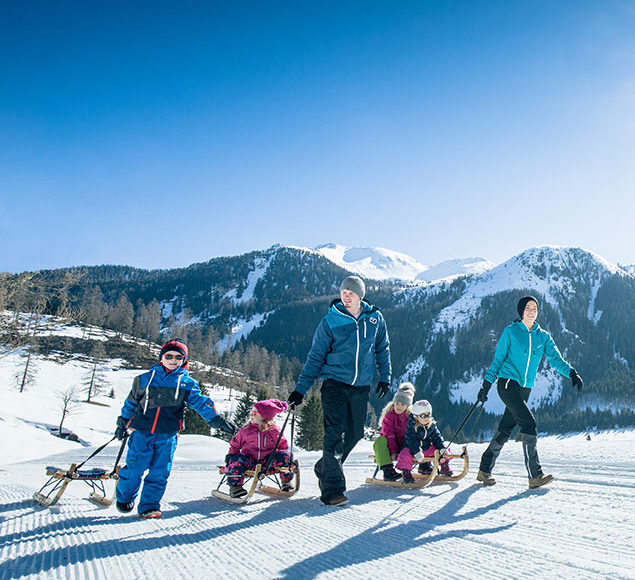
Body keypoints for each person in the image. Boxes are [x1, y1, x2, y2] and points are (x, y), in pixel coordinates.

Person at [287, 275, 392, 506]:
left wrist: (385, 377)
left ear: (360, 295)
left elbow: (382, 348)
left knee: (354, 433)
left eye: (350, 292)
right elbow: (315, 357)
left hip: (361, 386)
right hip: (334, 383)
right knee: (335, 435)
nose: (346, 296)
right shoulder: (330, 321)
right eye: (343, 291)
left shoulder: (374, 318)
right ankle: (332, 489)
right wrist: (300, 389)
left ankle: (324, 467)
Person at [114, 339, 236, 518]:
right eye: (168, 356)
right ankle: (124, 498)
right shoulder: (143, 380)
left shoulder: (187, 383)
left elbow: (200, 402)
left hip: (167, 435)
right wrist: (122, 422)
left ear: (184, 360)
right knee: (134, 469)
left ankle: (149, 506)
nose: (173, 360)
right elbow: (131, 403)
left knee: (159, 472)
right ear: (161, 357)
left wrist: (215, 419)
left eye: (178, 357)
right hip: (142, 432)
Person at [476, 295, 584, 489]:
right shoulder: (510, 332)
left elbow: (555, 359)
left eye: (535, 307)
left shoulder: (543, 336)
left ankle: (484, 469)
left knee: (506, 428)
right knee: (529, 423)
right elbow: (498, 360)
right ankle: (535, 475)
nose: (532, 310)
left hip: (525, 388)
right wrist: (486, 386)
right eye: (528, 307)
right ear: (521, 311)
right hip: (507, 383)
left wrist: (571, 372)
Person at [224, 398, 295, 498]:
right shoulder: (245, 430)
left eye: (255, 413)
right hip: (250, 462)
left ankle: (286, 482)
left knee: (285, 455)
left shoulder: (274, 431)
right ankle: (235, 487)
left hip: (268, 462)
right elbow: (235, 444)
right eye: (251, 411)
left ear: (265, 417)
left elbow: (282, 445)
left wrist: (284, 458)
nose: (251, 414)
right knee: (237, 458)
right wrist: (231, 456)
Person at [395, 399, 453, 483]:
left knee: (442, 450)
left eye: (428, 415)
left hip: (426, 449)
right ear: (416, 416)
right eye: (423, 416)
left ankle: (444, 465)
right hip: (412, 450)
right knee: (404, 455)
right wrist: (417, 452)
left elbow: (437, 437)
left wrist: (442, 448)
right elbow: (411, 440)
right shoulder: (411, 426)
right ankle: (406, 472)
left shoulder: (431, 425)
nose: (426, 418)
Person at [373, 382, 415, 481]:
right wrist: (393, 452)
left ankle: (425, 466)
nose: (398, 406)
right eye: (397, 403)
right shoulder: (389, 416)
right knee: (379, 441)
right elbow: (389, 435)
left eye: (402, 404)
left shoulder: (410, 417)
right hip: (390, 445)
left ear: (407, 406)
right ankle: (388, 471)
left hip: (406, 446)